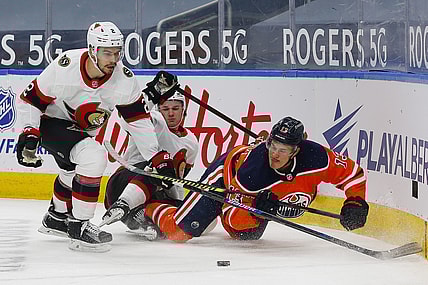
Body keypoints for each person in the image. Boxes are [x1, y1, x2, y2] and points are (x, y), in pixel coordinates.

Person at [16, 21, 179, 252]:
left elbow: (138, 121)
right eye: (106, 53)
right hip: (51, 122)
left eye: (117, 53)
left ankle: (56, 217)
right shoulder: (65, 66)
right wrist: (29, 132)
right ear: (92, 50)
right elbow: (30, 100)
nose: (113, 59)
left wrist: (157, 157)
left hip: (82, 130)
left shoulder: (124, 79)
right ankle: (80, 226)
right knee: (93, 156)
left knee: (71, 170)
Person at [141, 116, 369, 242]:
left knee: (248, 236)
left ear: (297, 150)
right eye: (273, 146)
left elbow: (353, 175)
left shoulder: (318, 157)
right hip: (226, 177)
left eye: (283, 150)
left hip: (258, 196)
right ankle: (150, 205)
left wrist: (355, 201)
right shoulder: (254, 171)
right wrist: (254, 210)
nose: (274, 154)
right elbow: (231, 219)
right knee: (178, 232)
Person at [100, 92, 199, 240]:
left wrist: (180, 205)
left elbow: (177, 180)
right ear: (159, 110)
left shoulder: (191, 142)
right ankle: (122, 204)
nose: (171, 113)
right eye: (166, 109)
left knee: (189, 216)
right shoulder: (153, 121)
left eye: (176, 108)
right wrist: (152, 93)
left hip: (153, 194)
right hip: (123, 183)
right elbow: (127, 118)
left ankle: (145, 220)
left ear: (183, 110)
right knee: (158, 166)